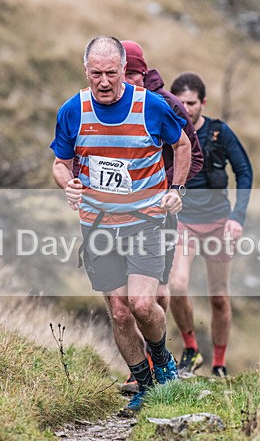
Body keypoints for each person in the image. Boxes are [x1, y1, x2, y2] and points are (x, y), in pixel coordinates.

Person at [51, 36, 192, 416]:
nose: (104, 81)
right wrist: (69, 183)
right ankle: (144, 386)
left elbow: (181, 145)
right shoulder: (73, 110)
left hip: (146, 220)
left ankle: (163, 362)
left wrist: (176, 189)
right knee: (118, 310)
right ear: (86, 71)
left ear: (124, 72)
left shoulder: (151, 106)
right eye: (96, 73)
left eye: (112, 73)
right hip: (97, 225)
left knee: (143, 304)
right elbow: (60, 163)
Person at [118, 40, 205, 394]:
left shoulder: (165, 104)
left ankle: (157, 357)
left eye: (132, 75)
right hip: (115, 213)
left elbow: (192, 153)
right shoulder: (105, 105)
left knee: (155, 293)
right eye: (120, 75)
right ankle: (140, 365)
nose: (126, 82)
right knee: (122, 301)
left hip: (158, 213)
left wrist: (172, 189)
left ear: (144, 72)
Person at [168, 71, 253, 378]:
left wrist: (237, 217)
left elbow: (245, 173)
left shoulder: (220, 133)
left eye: (191, 102)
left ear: (203, 102)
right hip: (183, 223)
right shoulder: (169, 131)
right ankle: (191, 349)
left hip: (219, 223)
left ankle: (218, 364)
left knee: (218, 297)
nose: (186, 108)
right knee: (176, 285)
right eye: (180, 102)